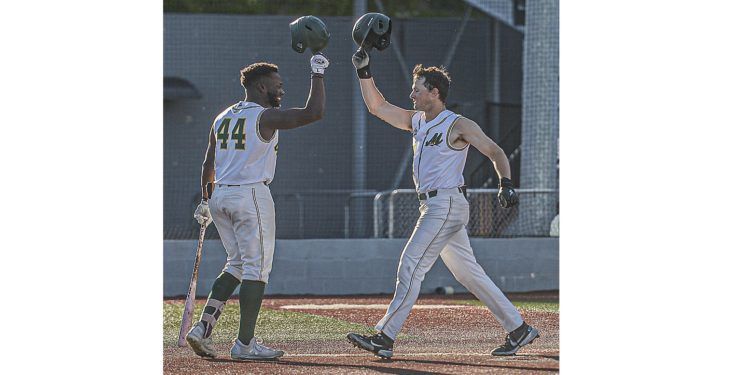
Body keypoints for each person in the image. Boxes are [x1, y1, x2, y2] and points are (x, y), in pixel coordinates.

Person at [345, 48, 539, 359]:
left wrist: (506, 183)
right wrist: (364, 72)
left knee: (411, 264)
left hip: (446, 204)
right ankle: (518, 328)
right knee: (469, 274)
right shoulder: (418, 121)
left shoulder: (457, 123)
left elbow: (495, 151)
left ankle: (384, 336)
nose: (412, 94)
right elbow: (377, 106)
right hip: (434, 206)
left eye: (417, 89)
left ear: (435, 92)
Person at [188, 54, 329, 360]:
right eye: (277, 86)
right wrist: (317, 72)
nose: (281, 90)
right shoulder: (263, 116)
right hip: (250, 194)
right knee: (257, 269)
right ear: (262, 87)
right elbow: (314, 112)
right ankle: (244, 344)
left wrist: (204, 200)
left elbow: (208, 163)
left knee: (236, 264)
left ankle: (202, 329)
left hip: (219, 195)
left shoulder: (222, 116)